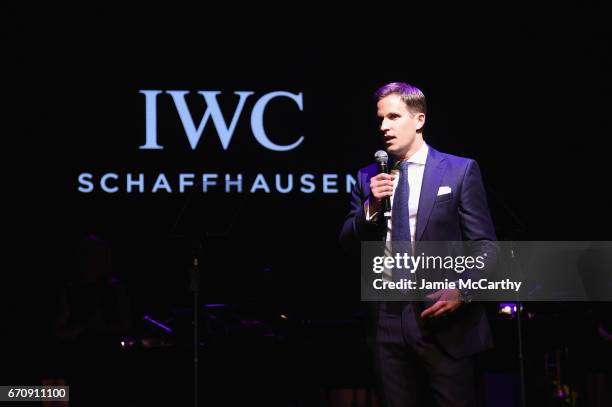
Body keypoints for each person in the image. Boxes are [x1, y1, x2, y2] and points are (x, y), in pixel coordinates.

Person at [340, 82, 497, 407]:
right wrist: (370, 205)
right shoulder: (368, 176)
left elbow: (485, 247)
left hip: (441, 315)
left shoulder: (458, 170)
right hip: (386, 317)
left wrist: (464, 290)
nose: (384, 127)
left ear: (419, 120)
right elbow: (346, 240)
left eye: (394, 117)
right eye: (381, 119)